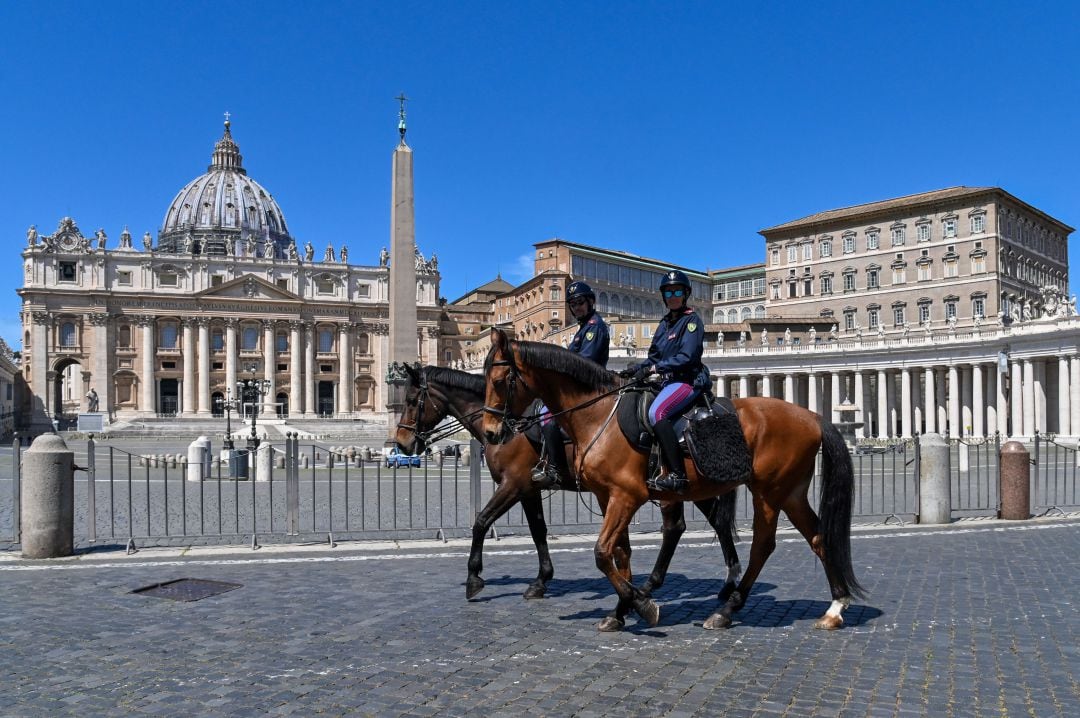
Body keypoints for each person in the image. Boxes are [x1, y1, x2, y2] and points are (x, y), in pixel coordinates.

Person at [622, 270, 708, 493]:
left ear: (685, 294)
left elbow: (687, 357)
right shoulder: (664, 324)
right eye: (668, 292)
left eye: (677, 291)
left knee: (656, 413)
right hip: (667, 383)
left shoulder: (691, 321)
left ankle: (678, 475)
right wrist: (636, 369)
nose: (672, 296)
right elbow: (654, 357)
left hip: (687, 381)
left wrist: (654, 368)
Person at [533, 280, 610, 488]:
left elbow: (583, 362)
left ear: (590, 302)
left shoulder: (595, 327)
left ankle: (556, 469)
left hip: (587, 386)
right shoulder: (583, 328)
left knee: (547, 416)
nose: (577, 307)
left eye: (580, 302)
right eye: (573, 304)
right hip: (579, 385)